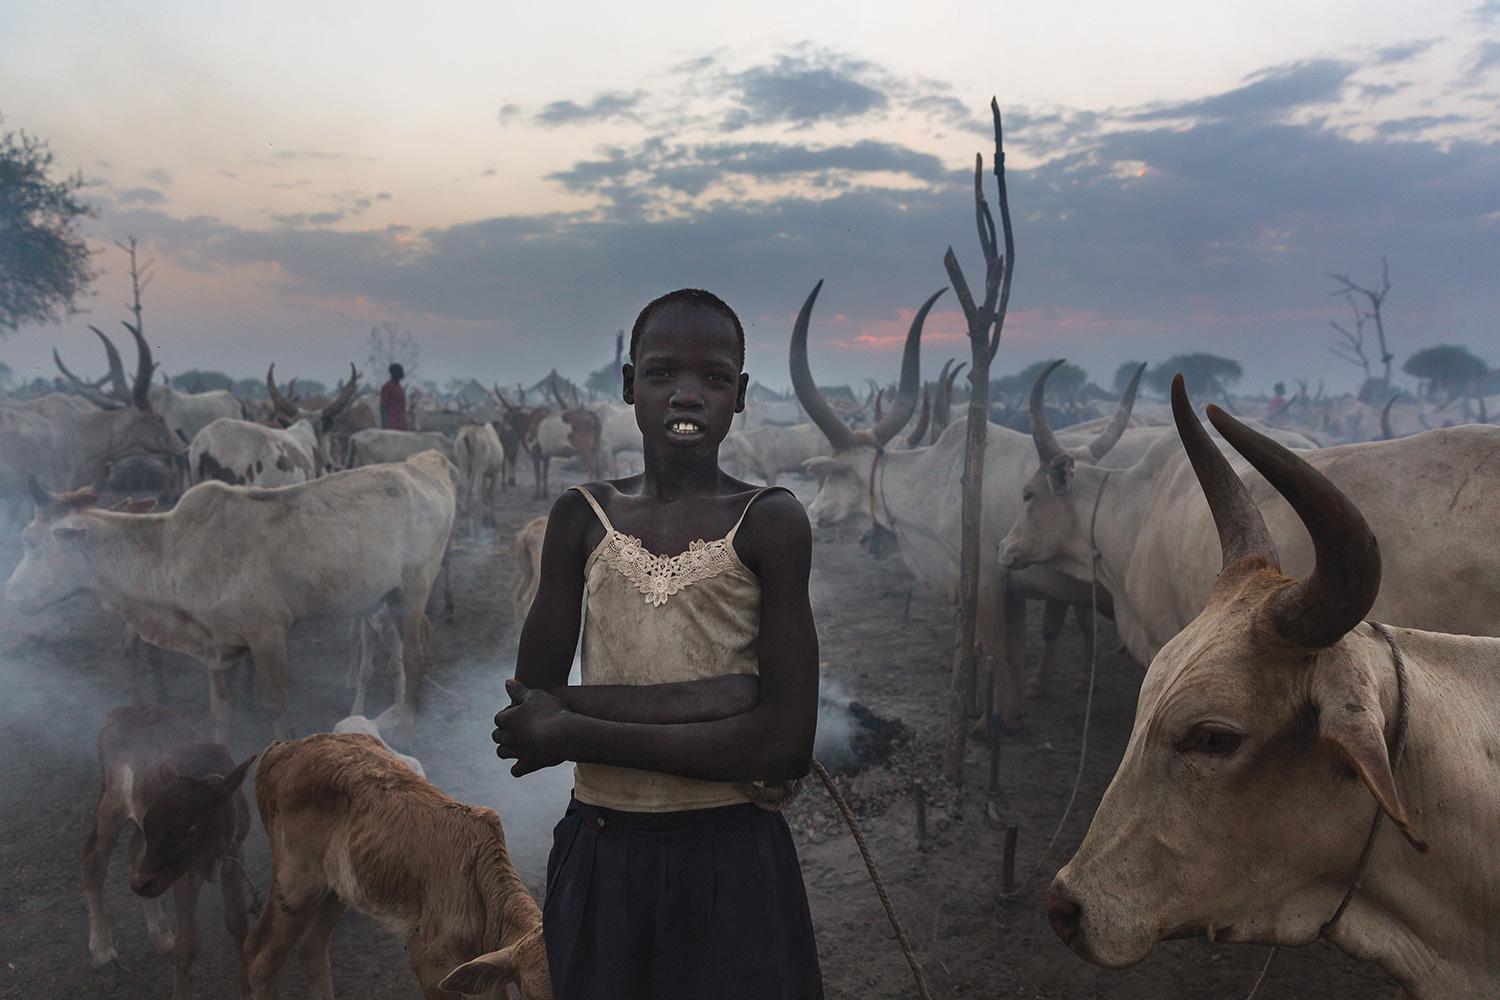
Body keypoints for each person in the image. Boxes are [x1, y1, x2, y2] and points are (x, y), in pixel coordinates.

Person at [492, 288, 823, 1000]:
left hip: (732, 859)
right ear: (628, 385)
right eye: (663, 372)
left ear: (739, 396)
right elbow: (528, 719)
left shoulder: (770, 521)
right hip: (604, 853)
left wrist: (573, 724)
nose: (687, 394)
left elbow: (786, 745)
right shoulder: (581, 517)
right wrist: (725, 700)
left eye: (712, 379)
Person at [380, 362, 408, 430]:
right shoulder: (387, 387)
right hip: (391, 423)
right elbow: (383, 407)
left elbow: (403, 407)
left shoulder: (400, 388)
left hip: (401, 424)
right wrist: (385, 426)